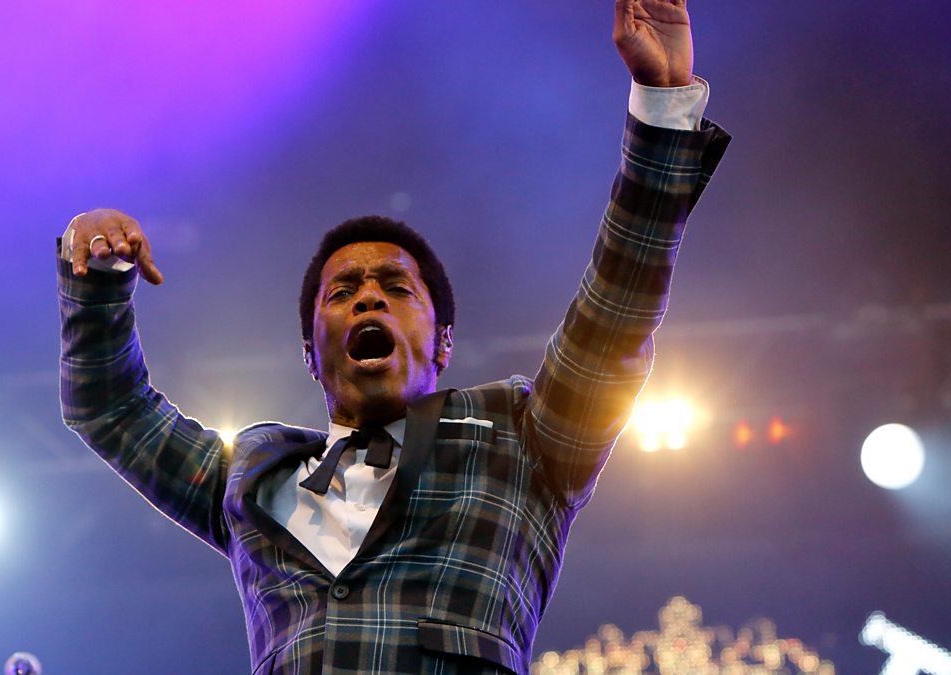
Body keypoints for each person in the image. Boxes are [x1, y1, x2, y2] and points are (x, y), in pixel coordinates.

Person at [56, 1, 729, 672]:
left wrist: (662, 105)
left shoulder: (524, 435)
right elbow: (110, 409)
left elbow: (616, 308)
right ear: (310, 355)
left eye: (396, 287)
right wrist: (96, 279)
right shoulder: (252, 473)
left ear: (443, 343)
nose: (369, 295)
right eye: (342, 291)